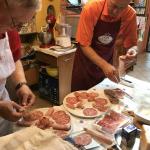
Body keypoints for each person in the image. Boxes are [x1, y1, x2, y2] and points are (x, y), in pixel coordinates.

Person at [71, 0, 138, 91]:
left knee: (103, 98)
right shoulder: (91, 8)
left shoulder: (130, 14)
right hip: (85, 66)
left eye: (122, 8)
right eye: (114, 6)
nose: (116, 12)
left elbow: (132, 45)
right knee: (79, 100)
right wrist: (104, 65)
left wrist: (133, 50)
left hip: (107, 65)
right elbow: (84, 45)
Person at [0, 0, 41, 136]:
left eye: (21, 25)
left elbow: (14, 57)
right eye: (15, 22)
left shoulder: (9, 30)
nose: (16, 30)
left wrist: (21, 85)